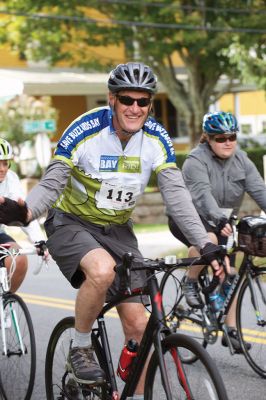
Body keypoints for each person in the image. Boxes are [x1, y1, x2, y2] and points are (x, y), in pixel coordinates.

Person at [0, 63, 226, 399]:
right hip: (70, 223)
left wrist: (204, 242)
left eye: (143, 101)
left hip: (119, 229)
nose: (135, 108)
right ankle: (79, 346)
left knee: (139, 324)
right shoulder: (86, 129)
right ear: (112, 99)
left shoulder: (156, 139)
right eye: (127, 99)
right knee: (102, 270)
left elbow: (176, 194)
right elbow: (53, 180)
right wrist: (28, 209)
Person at [168, 110, 266, 353]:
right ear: (208, 139)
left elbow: (260, 191)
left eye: (231, 137)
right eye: (220, 138)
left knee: (230, 273)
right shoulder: (195, 161)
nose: (227, 142)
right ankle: (190, 281)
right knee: (209, 239)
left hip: (223, 221)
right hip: (190, 218)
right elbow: (202, 195)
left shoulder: (242, 160)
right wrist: (219, 219)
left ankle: (231, 331)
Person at [0, 138, 47, 292]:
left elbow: (23, 217)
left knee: (18, 258)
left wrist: (39, 241)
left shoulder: (11, 179)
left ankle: (4, 304)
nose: (2, 169)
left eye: (5, 163)